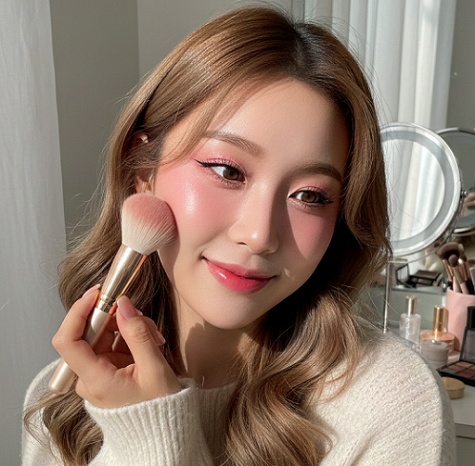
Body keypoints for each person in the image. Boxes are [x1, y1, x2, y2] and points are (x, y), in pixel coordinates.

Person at [22, 6, 455, 466]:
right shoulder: (63, 401)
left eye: (310, 196)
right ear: (143, 171)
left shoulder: (393, 403)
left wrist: (150, 434)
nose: (259, 234)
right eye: (227, 171)